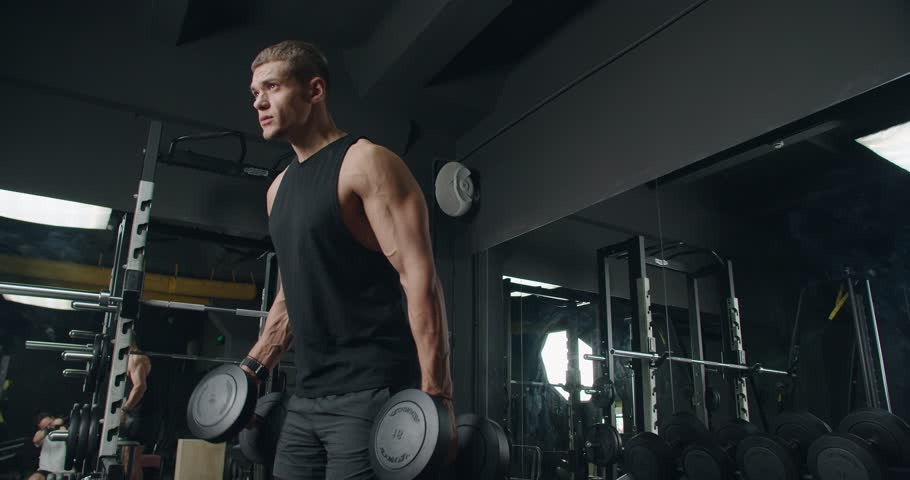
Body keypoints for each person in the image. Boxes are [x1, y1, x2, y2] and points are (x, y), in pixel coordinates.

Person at [240, 40, 455, 480]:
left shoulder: (367, 164)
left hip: (372, 392)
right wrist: (252, 370)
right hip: (305, 397)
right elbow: (292, 294)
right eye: (255, 92)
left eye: (273, 87)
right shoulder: (277, 190)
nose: (259, 101)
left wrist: (438, 395)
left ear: (314, 91)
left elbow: (420, 280)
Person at [119, 340, 152, 480]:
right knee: (126, 460)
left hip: (139, 415)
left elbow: (140, 387)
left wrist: (125, 410)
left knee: (131, 461)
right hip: (135, 414)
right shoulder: (128, 358)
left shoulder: (135, 357)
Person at [28, 412, 72, 480]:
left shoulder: (68, 428)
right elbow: (35, 440)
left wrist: (62, 421)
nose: (49, 426)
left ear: (53, 418)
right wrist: (50, 428)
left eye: (50, 423)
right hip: (46, 470)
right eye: (45, 426)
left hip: (66, 471)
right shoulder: (41, 434)